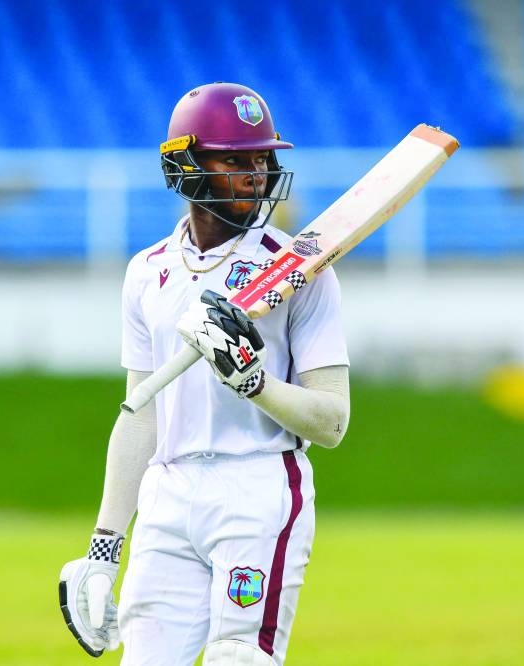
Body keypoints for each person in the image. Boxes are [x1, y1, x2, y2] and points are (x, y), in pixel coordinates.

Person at [60, 82, 350, 666]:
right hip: (168, 493)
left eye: (262, 159)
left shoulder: (300, 270)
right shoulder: (146, 273)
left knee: (236, 659)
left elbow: (332, 421)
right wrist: (103, 545)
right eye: (233, 159)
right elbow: (141, 413)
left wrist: (255, 383)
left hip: (259, 486)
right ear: (185, 165)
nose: (254, 173)